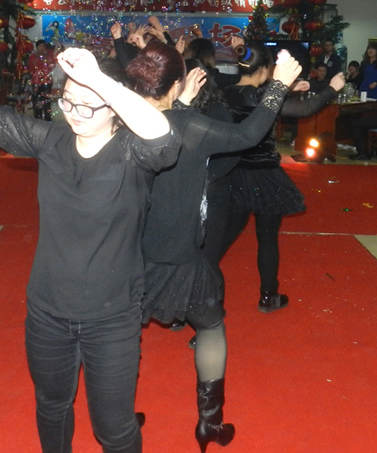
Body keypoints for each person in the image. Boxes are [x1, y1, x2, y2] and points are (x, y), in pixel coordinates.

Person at [0, 47, 179, 453]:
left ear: (114, 105)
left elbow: (163, 137)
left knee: (114, 428)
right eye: (68, 100)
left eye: (88, 104)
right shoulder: (52, 140)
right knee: (52, 407)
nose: (74, 112)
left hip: (111, 316)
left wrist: (98, 79)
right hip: (47, 310)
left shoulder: (134, 151)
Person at [127, 42, 302, 452]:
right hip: (183, 253)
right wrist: (278, 85)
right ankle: (210, 424)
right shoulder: (189, 126)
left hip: (131, 254)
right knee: (209, 327)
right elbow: (247, 134)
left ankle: (119, 416)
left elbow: (159, 121)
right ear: (175, 85)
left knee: (126, 332)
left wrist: (179, 102)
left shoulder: (123, 122)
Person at [221, 42, 345, 312]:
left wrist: (287, 88)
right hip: (264, 176)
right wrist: (332, 88)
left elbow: (259, 97)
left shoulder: (227, 91)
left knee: (221, 239)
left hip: (234, 172)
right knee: (267, 237)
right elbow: (305, 109)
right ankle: (268, 296)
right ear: (266, 69)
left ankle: (193, 291)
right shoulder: (262, 95)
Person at [28, 40, 56, 121]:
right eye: (40, 46)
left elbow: (52, 65)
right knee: (37, 102)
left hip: (47, 82)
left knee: (47, 102)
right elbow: (32, 67)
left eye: (43, 46)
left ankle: (48, 119)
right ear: (37, 48)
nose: (42, 48)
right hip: (36, 82)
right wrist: (40, 59)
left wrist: (47, 57)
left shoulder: (49, 55)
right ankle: (38, 119)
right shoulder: (33, 56)